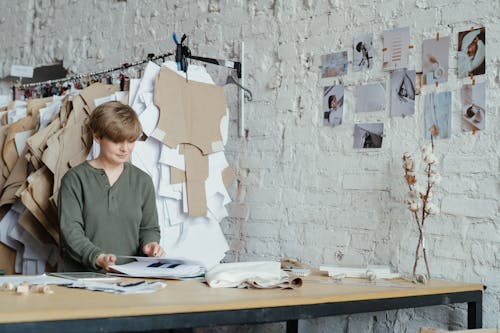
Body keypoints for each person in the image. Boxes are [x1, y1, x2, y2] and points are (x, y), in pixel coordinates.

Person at [58, 101, 164, 272]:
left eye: (130, 141)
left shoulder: (143, 181)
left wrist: (150, 245)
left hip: (132, 278)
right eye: (117, 141)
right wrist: (98, 258)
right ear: (97, 136)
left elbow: (149, 228)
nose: (125, 149)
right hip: (82, 281)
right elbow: (70, 232)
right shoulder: (74, 179)